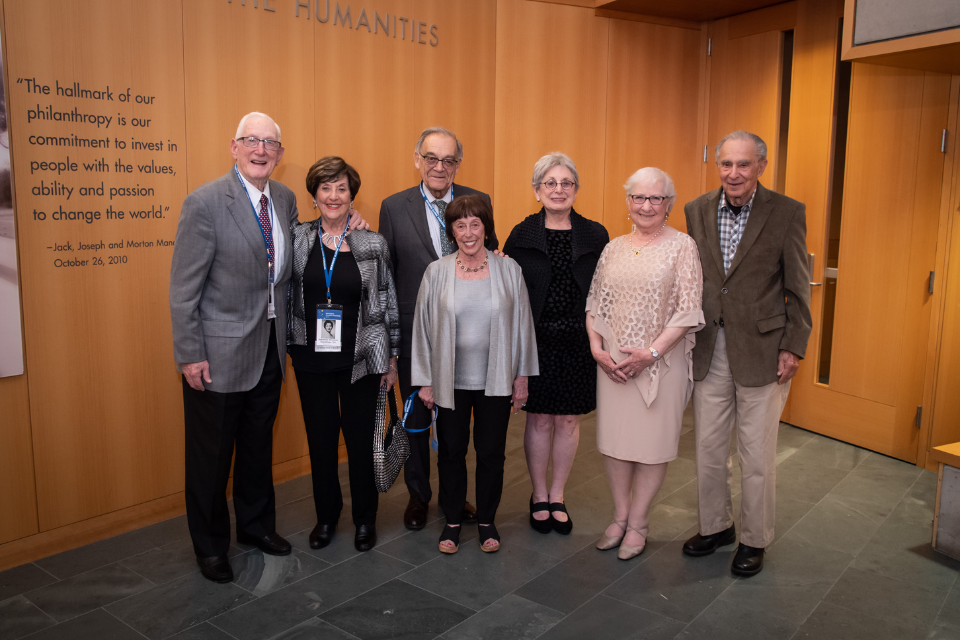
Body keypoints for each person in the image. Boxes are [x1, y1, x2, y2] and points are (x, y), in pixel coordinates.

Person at [169, 112, 299, 584]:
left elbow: (291, 263)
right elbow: (184, 288)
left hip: (269, 348)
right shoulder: (205, 202)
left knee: (256, 448)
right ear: (234, 146)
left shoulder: (284, 200)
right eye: (252, 141)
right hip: (216, 356)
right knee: (211, 457)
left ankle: (256, 527)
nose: (261, 149)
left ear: (280, 154)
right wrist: (189, 353)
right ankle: (209, 547)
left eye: (270, 143)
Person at [682, 130, 811, 576]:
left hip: (763, 350)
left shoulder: (788, 212)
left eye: (743, 164)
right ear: (716, 165)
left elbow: (798, 284)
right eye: (725, 164)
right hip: (709, 348)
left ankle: (754, 538)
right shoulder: (696, 209)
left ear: (760, 166)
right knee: (709, 447)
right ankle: (716, 526)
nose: (733, 174)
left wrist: (794, 345)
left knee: (756, 453)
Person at [379, 127, 499, 531]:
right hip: (418, 336)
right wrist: (393, 344)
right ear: (417, 159)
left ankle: (455, 496)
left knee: (456, 425)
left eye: (448, 160)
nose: (439, 167)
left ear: (458, 164)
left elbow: (489, 254)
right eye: (431, 158)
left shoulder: (477, 200)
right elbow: (387, 278)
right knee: (417, 419)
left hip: (471, 339)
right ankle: (418, 496)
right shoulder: (394, 208)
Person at [586, 167, 703, 561]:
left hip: (660, 365)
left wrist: (651, 354)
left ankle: (639, 523)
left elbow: (689, 311)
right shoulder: (614, 247)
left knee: (651, 447)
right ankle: (619, 518)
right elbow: (593, 303)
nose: (647, 205)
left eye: (655, 198)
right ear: (628, 202)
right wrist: (597, 349)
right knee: (617, 445)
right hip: (613, 366)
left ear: (668, 204)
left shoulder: (682, 246)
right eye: (639, 197)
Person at [411, 195, 538, 554]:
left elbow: (523, 325)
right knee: (450, 451)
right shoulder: (436, 271)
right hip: (449, 379)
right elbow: (421, 328)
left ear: (486, 227)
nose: (468, 232)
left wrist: (522, 376)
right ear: (451, 231)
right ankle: (452, 520)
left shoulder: (508, 270)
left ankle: (486, 519)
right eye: (460, 225)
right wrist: (425, 380)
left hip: (496, 378)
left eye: (475, 224)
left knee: (491, 452)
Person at [287, 156, 400, 553]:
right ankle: (326, 516)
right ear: (314, 195)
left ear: (352, 196)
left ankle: (365, 519)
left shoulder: (372, 243)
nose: (333, 196)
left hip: (362, 360)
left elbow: (387, 303)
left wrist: (391, 359)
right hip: (310, 359)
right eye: (325, 188)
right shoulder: (297, 238)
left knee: (360, 442)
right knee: (320, 443)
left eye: (341, 189)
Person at [503, 152, 608, 535]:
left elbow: (605, 291)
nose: (558, 189)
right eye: (550, 183)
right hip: (536, 342)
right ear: (537, 190)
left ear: (576, 190)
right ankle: (539, 494)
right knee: (540, 419)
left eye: (566, 183)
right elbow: (509, 293)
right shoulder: (522, 234)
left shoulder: (596, 234)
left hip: (579, 344)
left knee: (567, 420)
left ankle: (558, 495)